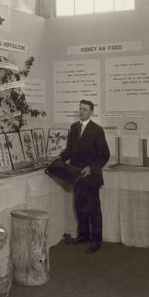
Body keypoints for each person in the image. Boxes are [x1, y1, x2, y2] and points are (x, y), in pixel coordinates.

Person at [60, 100, 110, 253]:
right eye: (80, 109)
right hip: (76, 175)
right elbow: (70, 150)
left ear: (91, 112)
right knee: (80, 207)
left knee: (93, 209)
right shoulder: (74, 127)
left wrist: (91, 168)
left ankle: (96, 241)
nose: (81, 112)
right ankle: (83, 236)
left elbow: (105, 155)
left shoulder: (97, 130)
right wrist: (58, 159)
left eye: (85, 109)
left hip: (91, 177)